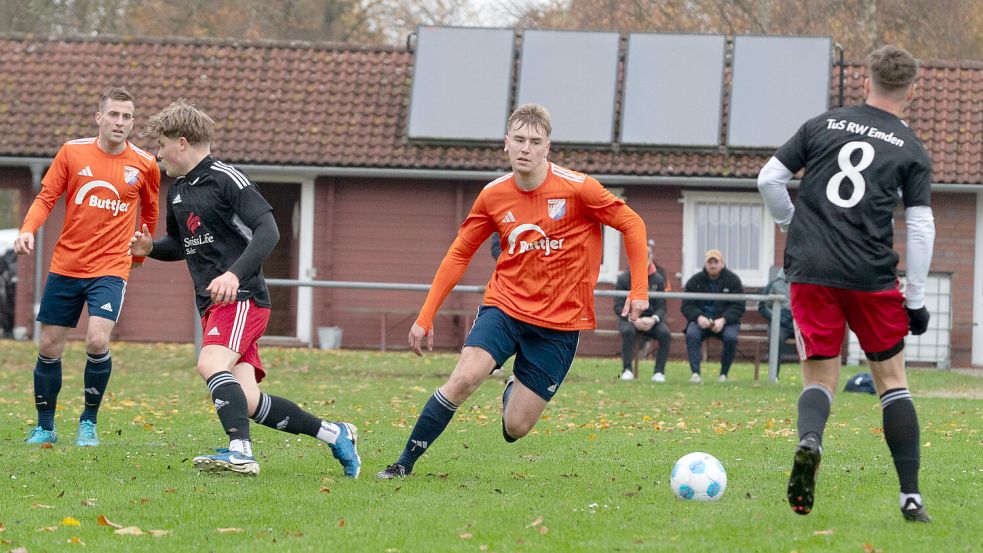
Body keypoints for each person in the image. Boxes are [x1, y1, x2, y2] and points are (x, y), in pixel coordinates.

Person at [377, 103, 649, 479]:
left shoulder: (578, 189)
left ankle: (512, 387)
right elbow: (459, 254)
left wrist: (639, 290)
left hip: (561, 322)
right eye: (519, 139)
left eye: (535, 141)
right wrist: (425, 316)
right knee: (464, 379)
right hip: (505, 307)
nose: (526, 148)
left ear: (547, 148)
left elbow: (632, 223)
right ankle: (403, 464)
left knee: (515, 428)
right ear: (506, 143)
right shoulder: (493, 195)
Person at [130, 100, 360, 477]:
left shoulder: (226, 178)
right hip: (213, 303)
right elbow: (182, 245)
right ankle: (335, 434)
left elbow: (268, 230)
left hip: (242, 297)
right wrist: (149, 249)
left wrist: (235, 275)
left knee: (209, 363)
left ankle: (240, 452)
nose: (158, 154)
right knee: (249, 399)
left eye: (161, 145)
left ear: (183, 143)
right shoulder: (177, 192)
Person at [757, 45, 935, 522]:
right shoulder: (912, 149)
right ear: (912, 92)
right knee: (893, 383)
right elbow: (921, 228)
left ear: (864, 82)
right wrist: (915, 301)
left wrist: (790, 226)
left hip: (811, 270)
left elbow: (769, 178)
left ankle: (810, 441)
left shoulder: (822, 124)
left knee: (819, 377)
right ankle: (910, 498)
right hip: (870, 274)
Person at [14, 87, 160, 447]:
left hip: (111, 267)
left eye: (127, 116)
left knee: (97, 340)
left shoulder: (145, 163)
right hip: (66, 264)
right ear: (100, 117)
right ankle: (45, 426)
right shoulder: (72, 152)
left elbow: (151, 212)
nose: (120, 122)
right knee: (49, 346)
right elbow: (46, 197)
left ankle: (88, 423)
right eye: (114, 115)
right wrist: (27, 230)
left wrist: (140, 253)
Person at [680, 249, 745, 383]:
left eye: (716, 261)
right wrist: (698, 317)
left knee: (731, 337)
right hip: (701, 321)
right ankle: (695, 373)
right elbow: (687, 305)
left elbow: (738, 306)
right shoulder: (694, 281)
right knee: (691, 334)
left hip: (726, 322)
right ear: (705, 264)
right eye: (710, 262)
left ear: (722, 263)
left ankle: (723, 374)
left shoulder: (733, 280)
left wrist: (723, 320)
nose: (713, 265)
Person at [614, 240, 671, 382]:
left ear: (651, 256)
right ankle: (627, 370)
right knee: (628, 332)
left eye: (646, 255)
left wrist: (653, 319)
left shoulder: (658, 279)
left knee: (665, 334)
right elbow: (618, 306)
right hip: (630, 319)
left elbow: (662, 307)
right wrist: (634, 318)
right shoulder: (623, 278)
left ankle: (659, 372)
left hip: (651, 320)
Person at [757, 267, 795, 377]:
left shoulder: (804, 283)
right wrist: (776, 317)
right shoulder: (774, 284)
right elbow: (762, 306)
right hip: (779, 324)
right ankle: (774, 376)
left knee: (813, 338)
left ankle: (814, 380)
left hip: (799, 322)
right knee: (775, 339)